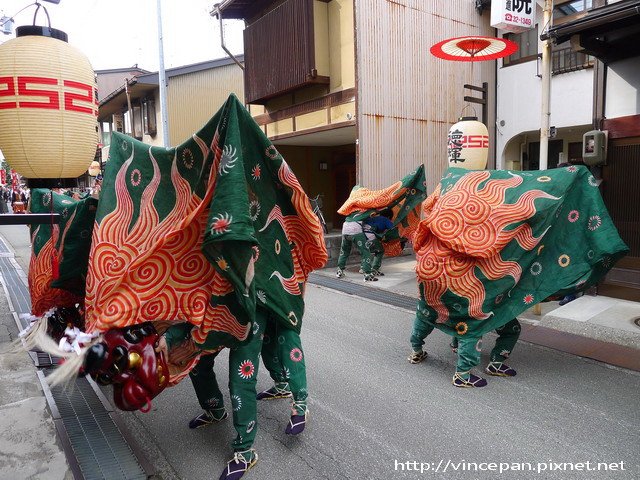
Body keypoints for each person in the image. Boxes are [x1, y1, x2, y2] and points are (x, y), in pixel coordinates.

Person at [409, 308, 520, 388]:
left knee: (426, 314)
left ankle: (416, 351)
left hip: (435, 294)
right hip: (475, 302)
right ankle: (464, 374)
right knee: (472, 325)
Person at [336, 215, 379, 281]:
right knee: (365, 252)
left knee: (344, 251)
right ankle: (367, 274)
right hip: (356, 231)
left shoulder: (350, 211)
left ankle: (339, 271)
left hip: (345, 229)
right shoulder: (363, 211)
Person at [362, 209, 395, 276]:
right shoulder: (385, 219)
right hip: (371, 236)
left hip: (361, 236)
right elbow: (392, 229)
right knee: (380, 251)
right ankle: (375, 268)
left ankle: (363, 268)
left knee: (366, 251)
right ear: (389, 216)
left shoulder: (371, 218)